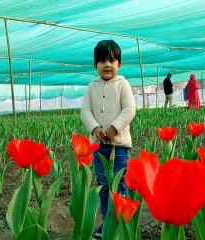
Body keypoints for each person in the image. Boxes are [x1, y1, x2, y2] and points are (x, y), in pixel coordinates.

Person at [81, 40, 136, 239]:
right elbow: (85, 111)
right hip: (98, 147)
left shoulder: (123, 84)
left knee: (120, 184)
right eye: (102, 60)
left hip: (119, 146)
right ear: (95, 65)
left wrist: (114, 129)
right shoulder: (91, 87)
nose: (107, 64)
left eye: (112, 60)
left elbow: (129, 110)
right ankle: (107, 223)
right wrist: (95, 128)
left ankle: (124, 221)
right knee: (104, 186)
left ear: (119, 64)